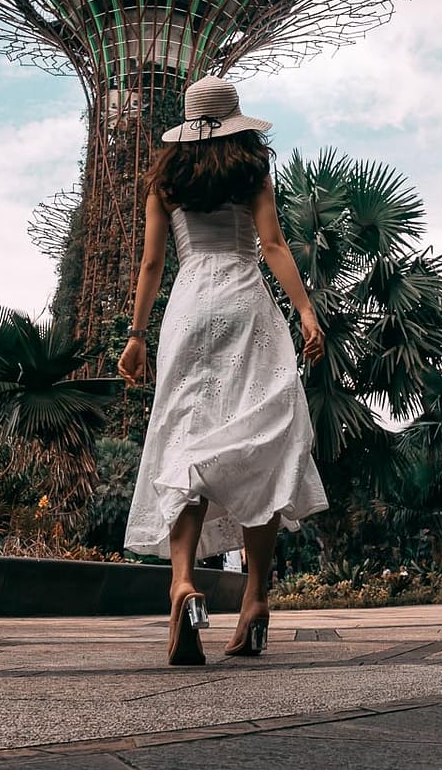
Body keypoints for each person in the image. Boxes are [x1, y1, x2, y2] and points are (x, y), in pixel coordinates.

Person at [119, 76, 328, 666]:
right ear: (237, 122)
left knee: (184, 441)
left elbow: (153, 262)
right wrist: (306, 312)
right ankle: (256, 601)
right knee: (261, 444)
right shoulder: (253, 171)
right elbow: (273, 244)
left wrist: (137, 337)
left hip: (188, 308)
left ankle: (182, 585)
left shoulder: (167, 181)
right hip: (246, 304)